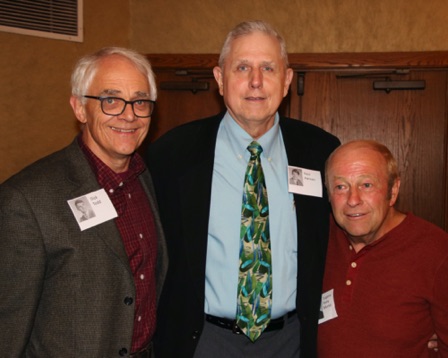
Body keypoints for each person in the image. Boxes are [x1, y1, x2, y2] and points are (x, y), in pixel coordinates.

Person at [146, 21, 340, 357]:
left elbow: (351, 240)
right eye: (242, 67)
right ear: (220, 79)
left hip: (292, 340)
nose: (255, 81)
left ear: (287, 81)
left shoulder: (321, 152)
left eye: (268, 67)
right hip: (203, 340)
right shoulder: (171, 154)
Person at [0, 47, 168, 357]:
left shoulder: (145, 179)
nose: (129, 114)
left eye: (140, 101)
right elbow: (7, 328)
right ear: (79, 108)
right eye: (111, 100)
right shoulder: (26, 200)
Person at [319, 140, 448, 357]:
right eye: (341, 186)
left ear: (393, 190)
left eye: (366, 185)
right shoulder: (317, 237)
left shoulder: (437, 252)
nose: (353, 200)